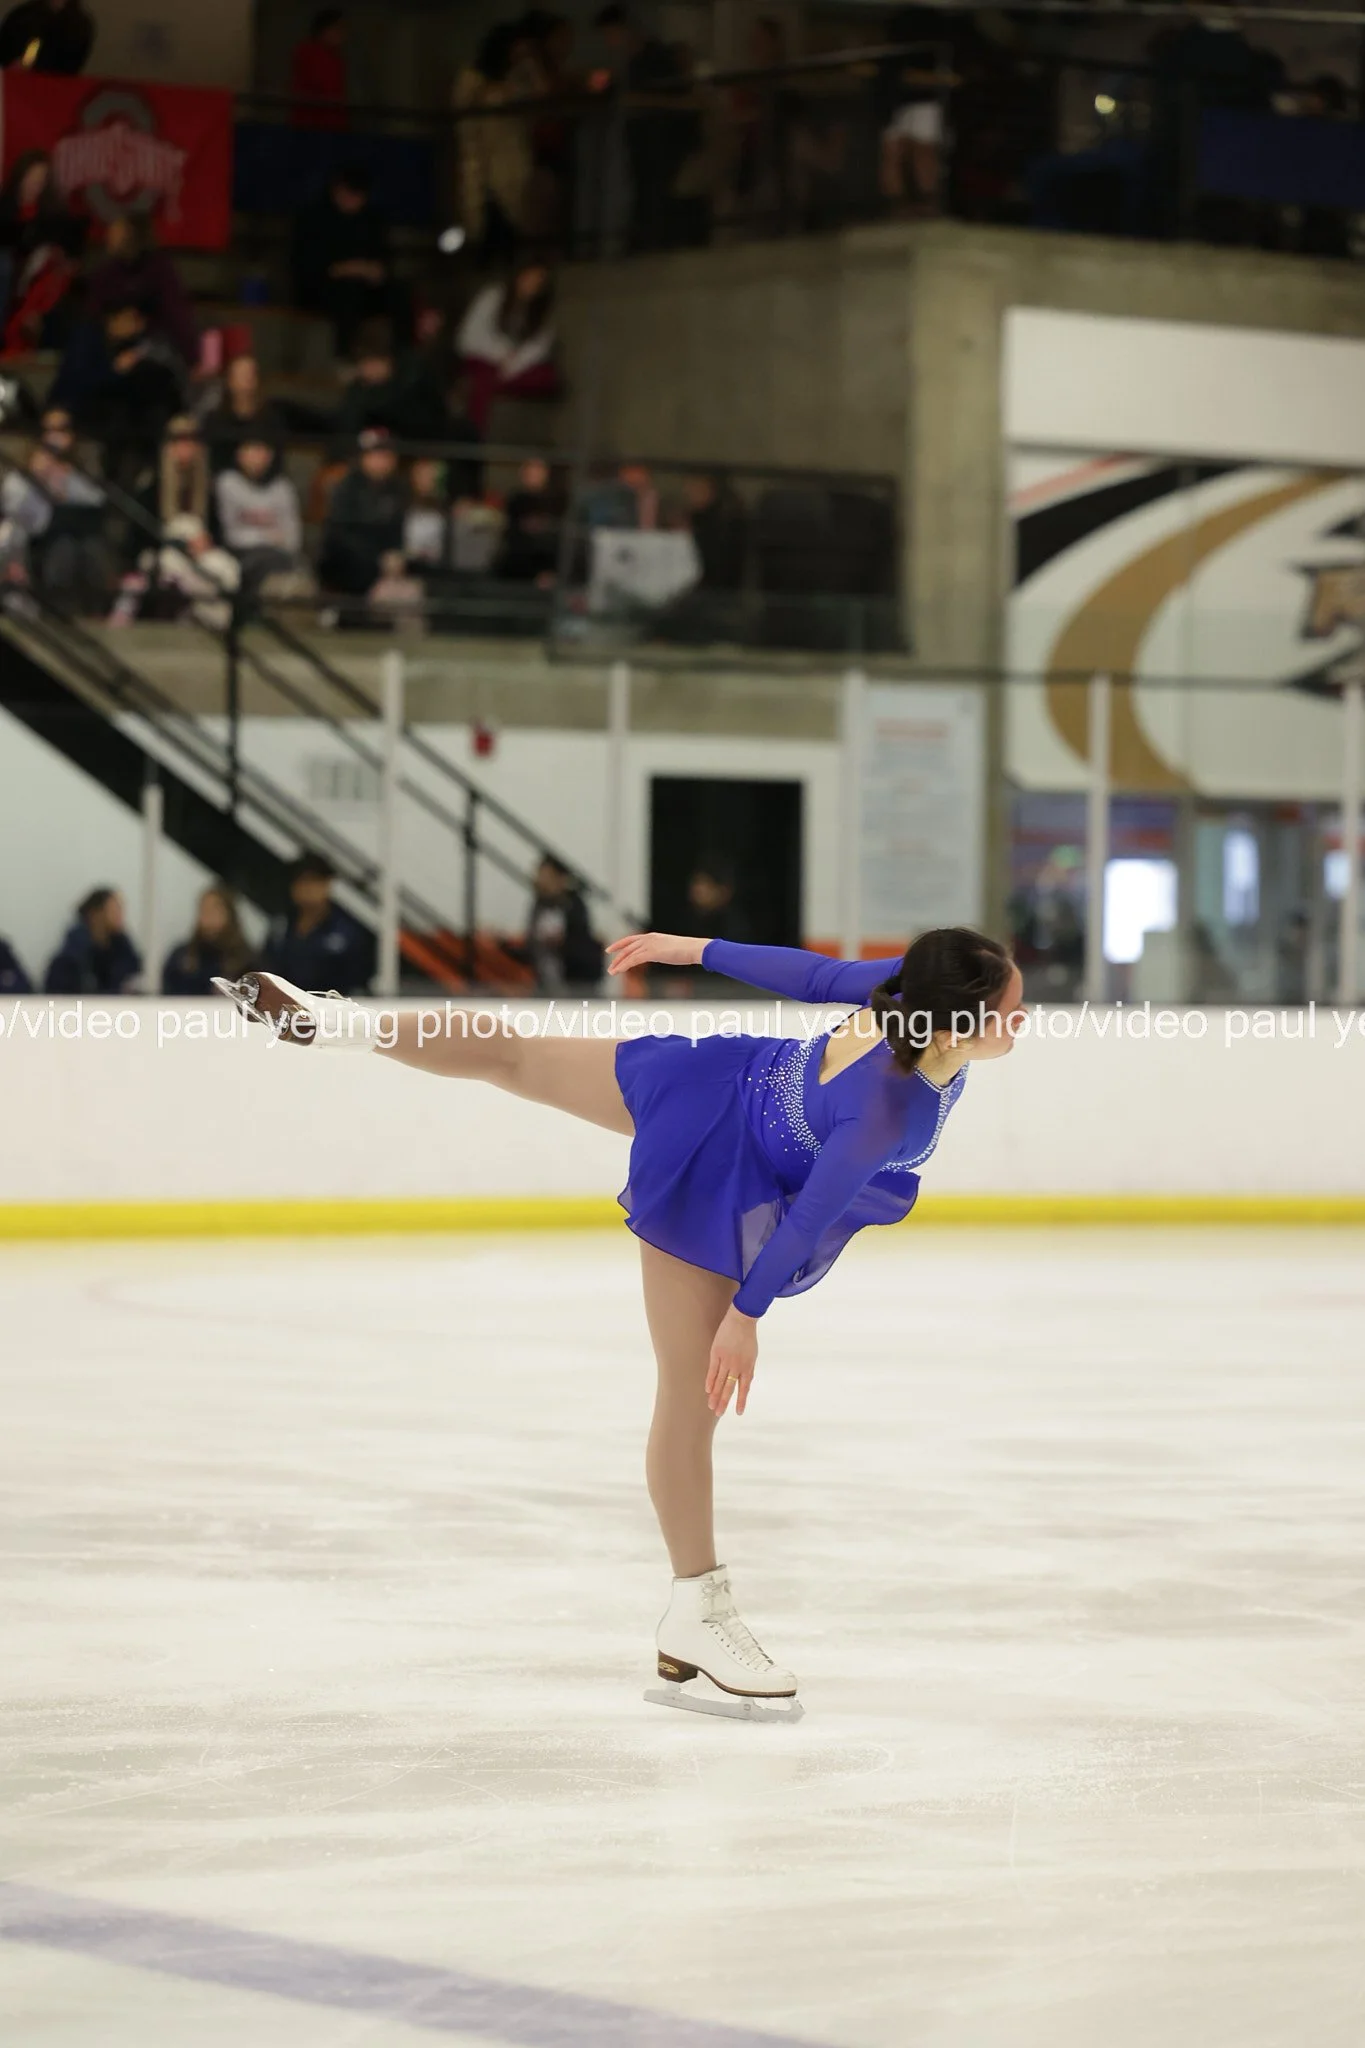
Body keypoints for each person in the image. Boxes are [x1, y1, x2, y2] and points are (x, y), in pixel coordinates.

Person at [214, 924, 1027, 1720]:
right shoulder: (888, 1110)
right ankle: (696, 1611)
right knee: (690, 1398)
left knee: (515, 1056)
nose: (1021, 1021)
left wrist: (692, 950)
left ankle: (342, 1024)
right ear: (951, 1024)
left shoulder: (901, 993)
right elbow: (807, 1218)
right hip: (715, 1170)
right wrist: (742, 1317)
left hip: (710, 1081)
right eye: (1008, 1012)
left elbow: (811, 976)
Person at [0, 405, 108, 614]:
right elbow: (11, 506)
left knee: (89, 547)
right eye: (49, 430)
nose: (55, 436)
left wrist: (64, 482)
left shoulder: (77, 470)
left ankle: (94, 611)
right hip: (31, 540)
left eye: (62, 429)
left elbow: (97, 501)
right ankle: (56, 610)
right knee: (63, 548)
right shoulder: (25, 470)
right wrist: (38, 477)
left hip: (71, 535)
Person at [291, 164, 396, 358]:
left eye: (358, 196)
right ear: (337, 190)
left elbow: (383, 260)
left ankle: (398, 359)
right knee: (347, 294)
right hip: (322, 289)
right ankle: (345, 357)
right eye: (349, 194)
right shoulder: (314, 218)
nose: (353, 201)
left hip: (366, 287)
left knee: (397, 293)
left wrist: (375, 271)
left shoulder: (371, 220)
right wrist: (347, 269)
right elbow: (308, 266)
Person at [84, 213, 199, 372]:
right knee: (84, 344)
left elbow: (175, 315)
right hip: (110, 342)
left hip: (151, 344)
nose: (109, 235)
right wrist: (111, 325)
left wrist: (141, 326)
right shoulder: (106, 272)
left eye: (117, 231)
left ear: (132, 235)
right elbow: (93, 311)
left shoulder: (160, 269)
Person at [456, 263, 560, 433]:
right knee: (482, 379)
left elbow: (538, 347)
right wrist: (501, 354)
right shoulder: (493, 295)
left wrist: (513, 364)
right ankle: (475, 433)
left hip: (513, 366)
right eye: (528, 278)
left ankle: (495, 384)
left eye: (538, 283)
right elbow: (469, 336)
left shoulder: (540, 311)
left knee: (547, 377)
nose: (531, 286)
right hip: (484, 357)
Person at [0, 149, 83, 347]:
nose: (35, 183)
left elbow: (69, 248)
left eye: (41, 179)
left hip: (38, 270)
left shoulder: (53, 214)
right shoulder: (5, 207)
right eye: (31, 177)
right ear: (21, 177)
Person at [262, 853, 373, 995]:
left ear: (327, 884)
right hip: (287, 1002)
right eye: (302, 881)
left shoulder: (347, 931)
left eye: (314, 881)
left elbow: (358, 980)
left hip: (334, 1003)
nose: (308, 888)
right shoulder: (280, 928)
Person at [319, 428, 408, 604]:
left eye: (386, 455)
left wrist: (396, 554)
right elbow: (339, 535)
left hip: (385, 562)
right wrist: (377, 558)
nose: (381, 460)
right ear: (363, 457)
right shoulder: (347, 487)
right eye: (376, 454)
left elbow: (399, 530)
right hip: (348, 561)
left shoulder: (398, 489)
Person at [331, 319, 449, 448]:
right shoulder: (359, 389)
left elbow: (428, 425)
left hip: (421, 449)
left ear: (388, 360)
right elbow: (346, 429)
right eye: (363, 363)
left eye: (372, 362)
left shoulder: (414, 380)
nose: (367, 370)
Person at [213, 437, 304, 598]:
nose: (256, 457)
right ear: (239, 454)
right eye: (251, 450)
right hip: (241, 554)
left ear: (270, 455)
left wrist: (273, 542)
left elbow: (293, 537)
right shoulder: (227, 482)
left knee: (290, 565)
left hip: (281, 556)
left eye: (261, 450)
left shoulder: (283, 487)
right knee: (265, 562)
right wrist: (268, 537)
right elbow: (232, 536)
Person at [524, 853, 603, 990]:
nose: (542, 881)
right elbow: (531, 944)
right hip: (544, 980)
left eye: (548, 877)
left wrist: (562, 942)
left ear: (561, 879)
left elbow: (582, 945)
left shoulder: (574, 905)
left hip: (575, 981)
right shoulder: (539, 905)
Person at [44, 887, 142, 994]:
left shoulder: (122, 949)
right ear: (96, 913)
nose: (120, 915)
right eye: (114, 910)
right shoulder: (70, 960)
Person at [199, 354, 285, 474]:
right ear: (229, 380)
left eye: (250, 374)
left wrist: (262, 464)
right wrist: (242, 461)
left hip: (266, 479)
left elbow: (278, 459)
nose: (246, 379)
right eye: (240, 374)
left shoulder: (270, 418)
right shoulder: (215, 419)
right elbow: (212, 461)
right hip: (228, 478)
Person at [163, 884, 251, 997]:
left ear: (229, 913)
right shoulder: (181, 958)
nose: (208, 915)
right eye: (204, 909)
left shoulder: (245, 961)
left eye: (214, 909)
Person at [496, 455, 563, 583]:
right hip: (519, 555)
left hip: (549, 553)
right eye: (530, 473)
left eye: (537, 472)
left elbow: (559, 529)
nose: (533, 476)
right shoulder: (515, 499)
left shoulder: (557, 499)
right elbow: (511, 529)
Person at [290, 7, 348, 131]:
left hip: (331, 126)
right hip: (311, 126)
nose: (342, 34)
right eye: (338, 28)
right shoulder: (307, 53)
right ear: (325, 30)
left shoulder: (336, 59)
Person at [0, 0, 93, 73]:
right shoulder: (20, 17)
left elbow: (71, 66)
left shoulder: (80, 26)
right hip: (16, 84)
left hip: (56, 86)